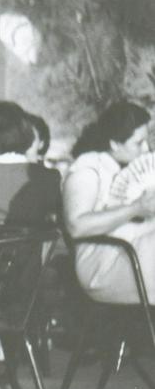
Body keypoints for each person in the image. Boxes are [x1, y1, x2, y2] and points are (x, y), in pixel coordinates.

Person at [64, 100, 155, 304]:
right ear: (115, 143)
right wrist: (136, 208)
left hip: (136, 249)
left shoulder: (130, 167)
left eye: (147, 141)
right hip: (103, 263)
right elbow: (76, 226)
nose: (147, 149)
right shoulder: (88, 168)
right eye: (138, 143)